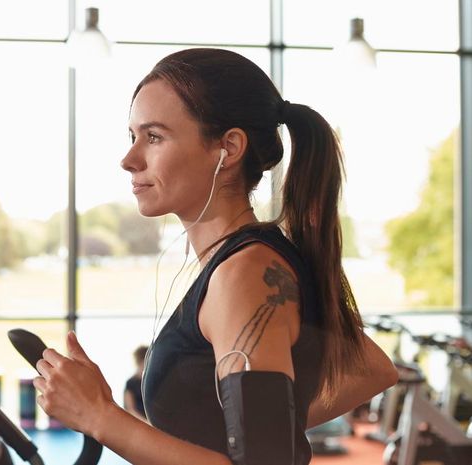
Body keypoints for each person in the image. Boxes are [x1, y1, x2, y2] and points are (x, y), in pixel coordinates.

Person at [32, 48, 399, 465]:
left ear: (228, 148)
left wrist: (100, 415)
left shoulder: (245, 273)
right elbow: (371, 367)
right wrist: (252, 430)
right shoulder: (243, 263)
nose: (129, 159)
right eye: (132, 136)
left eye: (154, 137)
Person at [124, 345, 148, 420]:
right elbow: (130, 410)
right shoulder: (130, 383)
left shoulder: (148, 382)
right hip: (139, 423)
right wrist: (147, 423)